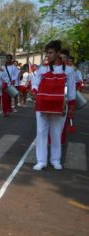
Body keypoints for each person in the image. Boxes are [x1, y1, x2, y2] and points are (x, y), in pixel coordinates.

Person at [31, 40, 76, 170]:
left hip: (60, 106)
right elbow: (35, 83)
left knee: (56, 134)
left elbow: (71, 91)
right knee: (41, 132)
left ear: (58, 53)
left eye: (50, 53)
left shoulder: (69, 71)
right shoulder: (42, 69)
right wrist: (34, 91)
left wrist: (72, 107)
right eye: (47, 53)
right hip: (42, 105)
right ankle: (41, 161)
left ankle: (55, 160)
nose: (48, 56)